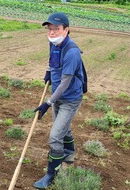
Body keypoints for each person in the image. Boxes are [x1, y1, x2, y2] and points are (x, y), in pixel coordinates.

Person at [33, 12, 85, 189]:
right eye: (49, 29)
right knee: (62, 127)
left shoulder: (72, 53)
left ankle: (51, 175)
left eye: (56, 29)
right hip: (57, 95)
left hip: (69, 98)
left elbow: (65, 83)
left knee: (55, 136)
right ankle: (69, 154)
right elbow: (51, 59)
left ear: (66, 30)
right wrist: (48, 71)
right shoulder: (53, 43)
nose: (52, 32)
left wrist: (48, 103)